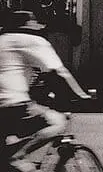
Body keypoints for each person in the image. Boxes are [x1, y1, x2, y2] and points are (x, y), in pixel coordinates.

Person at [0, 11, 91, 172]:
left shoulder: (3, 40)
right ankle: (18, 156)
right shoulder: (33, 40)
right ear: (31, 27)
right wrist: (82, 95)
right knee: (58, 122)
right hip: (12, 104)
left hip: (7, 106)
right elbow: (59, 73)